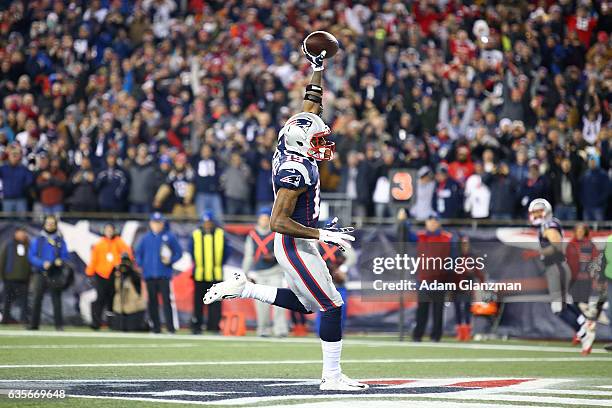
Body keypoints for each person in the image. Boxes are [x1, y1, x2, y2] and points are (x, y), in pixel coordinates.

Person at [203, 44, 368, 391]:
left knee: (310, 304)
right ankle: (332, 378)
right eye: (318, 140)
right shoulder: (295, 169)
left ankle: (245, 288)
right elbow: (278, 221)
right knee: (333, 305)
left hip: (296, 241)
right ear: (302, 142)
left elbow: (310, 104)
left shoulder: (291, 137)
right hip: (294, 243)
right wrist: (321, 235)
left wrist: (317, 67)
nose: (323, 143)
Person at [528, 199, 595, 354]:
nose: (537, 215)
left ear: (546, 211)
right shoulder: (550, 223)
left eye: (539, 211)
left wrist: (539, 253)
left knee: (558, 307)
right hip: (558, 267)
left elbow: (557, 245)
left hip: (556, 267)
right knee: (564, 303)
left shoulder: (548, 225)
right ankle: (584, 323)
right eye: (535, 212)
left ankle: (583, 331)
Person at [241, 207, 287, 337]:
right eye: (262, 219)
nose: (264, 221)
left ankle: (280, 329)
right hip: (260, 274)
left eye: (267, 219)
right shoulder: (253, 235)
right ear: (259, 219)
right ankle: (263, 330)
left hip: (275, 272)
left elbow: (283, 252)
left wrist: (274, 256)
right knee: (261, 305)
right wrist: (245, 273)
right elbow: (248, 255)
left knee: (279, 303)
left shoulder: (276, 233)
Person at [135, 212, 182, 333]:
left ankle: (170, 327)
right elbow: (138, 253)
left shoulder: (169, 236)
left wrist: (170, 260)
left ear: (163, 224)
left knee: (166, 301)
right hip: (149, 275)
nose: (157, 225)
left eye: (159, 223)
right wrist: (140, 265)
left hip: (164, 275)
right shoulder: (146, 238)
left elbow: (178, 253)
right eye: (155, 223)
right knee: (152, 302)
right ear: (151, 223)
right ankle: (155, 327)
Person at [189, 210, 232, 334]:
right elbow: (192, 252)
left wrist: (217, 265)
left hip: (215, 274)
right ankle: (196, 326)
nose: (207, 225)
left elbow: (226, 253)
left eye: (209, 222)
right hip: (200, 275)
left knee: (215, 303)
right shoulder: (196, 234)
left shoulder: (220, 234)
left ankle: (213, 326)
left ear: (213, 223)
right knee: (198, 303)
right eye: (205, 222)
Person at [412, 215, 453, 343]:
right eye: (430, 221)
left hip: (440, 279)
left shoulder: (447, 237)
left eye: (435, 221)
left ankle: (436, 336)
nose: (432, 224)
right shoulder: (421, 236)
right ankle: (418, 335)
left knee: (438, 310)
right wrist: (403, 221)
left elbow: (453, 259)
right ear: (426, 223)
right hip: (424, 280)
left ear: (439, 223)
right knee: (422, 310)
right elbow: (403, 234)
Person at [86, 224, 133, 330]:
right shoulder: (99, 244)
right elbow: (94, 260)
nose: (109, 232)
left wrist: (120, 267)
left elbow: (128, 255)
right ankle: (96, 322)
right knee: (100, 298)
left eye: (111, 230)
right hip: (101, 274)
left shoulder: (119, 242)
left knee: (111, 300)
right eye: (107, 230)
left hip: (114, 274)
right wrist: (89, 273)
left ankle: (111, 323)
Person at [28, 215, 70, 331]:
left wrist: (60, 261)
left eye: (52, 223)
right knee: (37, 299)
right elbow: (31, 256)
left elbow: (66, 256)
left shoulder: (60, 241)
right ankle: (33, 325)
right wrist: (42, 263)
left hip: (55, 273)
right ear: (44, 224)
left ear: (56, 225)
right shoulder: (38, 239)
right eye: (48, 223)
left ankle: (59, 326)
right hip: (40, 272)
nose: (50, 225)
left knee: (56, 299)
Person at [0, 227, 31, 324]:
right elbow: (2, 260)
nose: (22, 235)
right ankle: (5, 320)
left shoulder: (28, 246)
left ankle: (23, 320)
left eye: (23, 233)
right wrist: (2, 276)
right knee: (7, 301)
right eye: (20, 232)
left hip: (23, 279)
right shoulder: (9, 245)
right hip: (9, 278)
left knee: (24, 302)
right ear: (15, 234)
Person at [0, 145, 33, 213]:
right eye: (13, 155)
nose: (14, 157)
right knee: (8, 221)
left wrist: (21, 189)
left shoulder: (24, 168)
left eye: (16, 155)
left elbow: (29, 181)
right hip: (7, 199)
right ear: (9, 156)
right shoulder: (3, 168)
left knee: (21, 221)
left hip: (20, 199)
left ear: (20, 156)